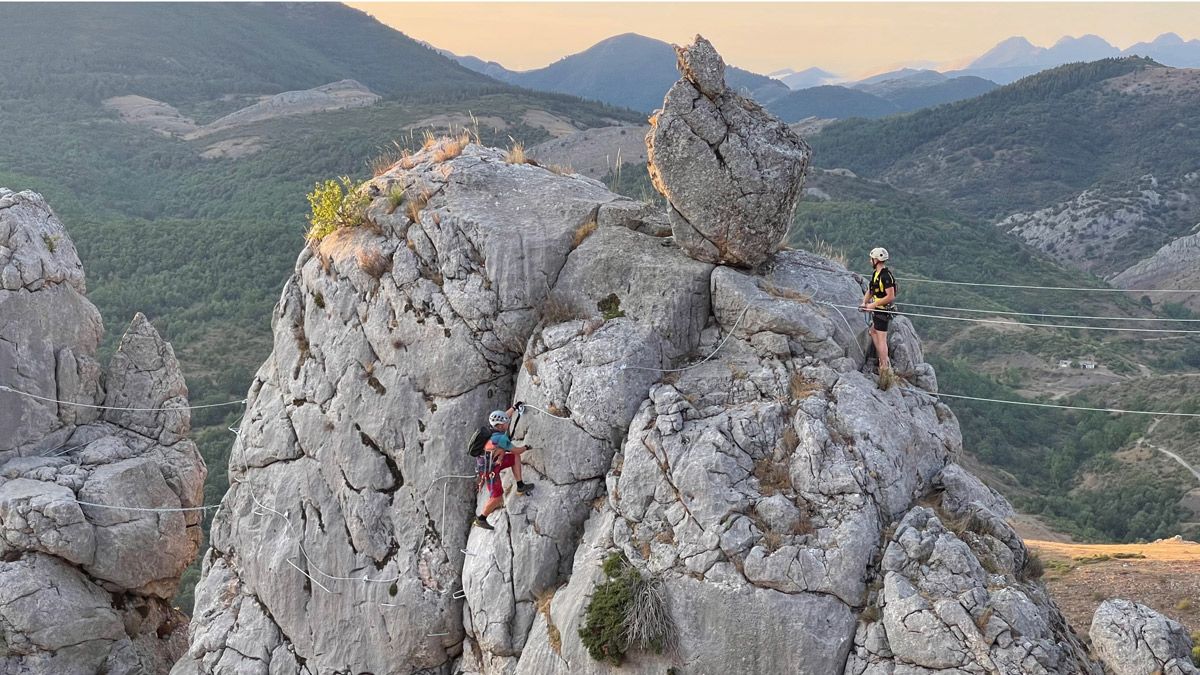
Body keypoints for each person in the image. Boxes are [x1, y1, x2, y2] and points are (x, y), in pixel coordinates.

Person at [473, 406, 535, 530]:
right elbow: (518, 450)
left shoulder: (492, 429)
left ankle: (520, 485)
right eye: (506, 422)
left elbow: (505, 416)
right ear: (500, 426)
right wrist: (526, 447)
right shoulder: (500, 438)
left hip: (492, 463)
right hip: (490, 470)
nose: (508, 422)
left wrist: (514, 407)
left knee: (514, 457)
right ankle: (481, 519)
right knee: (497, 498)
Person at [860, 247, 897, 373]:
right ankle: (883, 360)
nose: (870, 261)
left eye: (871, 259)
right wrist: (864, 302)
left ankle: (884, 366)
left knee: (881, 339)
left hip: (883, 311)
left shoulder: (886, 276)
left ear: (876, 259)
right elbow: (871, 290)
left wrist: (873, 305)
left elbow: (890, 296)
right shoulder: (876, 274)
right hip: (877, 310)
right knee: (873, 331)